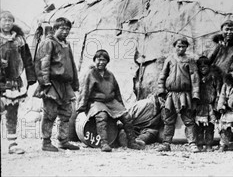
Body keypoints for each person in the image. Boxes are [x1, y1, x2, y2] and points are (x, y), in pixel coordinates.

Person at [77, 49, 143, 152]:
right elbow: (85, 91)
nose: (101, 62)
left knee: (127, 117)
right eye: (98, 60)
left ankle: (132, 141)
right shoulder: (91, 74)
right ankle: (104, 143)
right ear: (94, 60)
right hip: (96, 102)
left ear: (107, 62)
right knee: (102, 116)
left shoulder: (110, 75)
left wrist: (121, 106)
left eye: (104, 60)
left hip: (110, 102)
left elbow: (117, 91)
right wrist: (82, 106)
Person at [33, 17, 80, 152]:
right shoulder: (48, 43)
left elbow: (72, 64)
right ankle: (46, 142)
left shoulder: (66, 44)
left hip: (65, 85)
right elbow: (43, 62)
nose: (65, 32)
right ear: (55, 29)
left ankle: (63, 140)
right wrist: (44, 82)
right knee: (50, 113)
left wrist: (75, 83)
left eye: (68, 29)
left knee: (66, 112)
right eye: (62, 29)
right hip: (52, 83)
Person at [0, 10, 36, 154]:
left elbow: (27, 59)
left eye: (10, 20)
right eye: (4, 20)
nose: (7, 23)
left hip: (13, 81)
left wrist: (31, 77)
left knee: (12, 112)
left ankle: (12, 144)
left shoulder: (19, 39)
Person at [157, 37, 201, 152]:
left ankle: (192, 143)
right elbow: (163, 75)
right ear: (175, 46)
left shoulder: (190, 60)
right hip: (171, 94)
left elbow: (194, 77)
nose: (181, 49)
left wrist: (195, 94)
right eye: (178, 46)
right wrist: (161, 90)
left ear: (187, 47)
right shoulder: (170, 59)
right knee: (169, 119)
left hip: (184, 94)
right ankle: (166, 143)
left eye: (183, 46)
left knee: (189, 119)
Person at [195, 55, 222, 151]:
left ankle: (209, 144)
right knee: (198, 126)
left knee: (210, 126)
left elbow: (218, 91)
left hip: (210, 105)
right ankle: (199, 144)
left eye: (205, 66)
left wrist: (217, 104)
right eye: (200, 66)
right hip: (199, 105)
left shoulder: (214, 76)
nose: (203, 68)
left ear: (209, 66)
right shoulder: (195, 77)